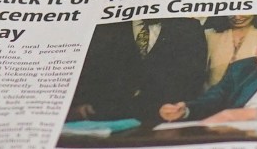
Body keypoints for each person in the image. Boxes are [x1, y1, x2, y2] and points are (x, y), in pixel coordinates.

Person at [68, 16, 208, 122]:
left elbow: (191, 80)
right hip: (106, 117)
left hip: (166, 118)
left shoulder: (188, 27)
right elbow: (92, 76)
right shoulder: (106, 28)